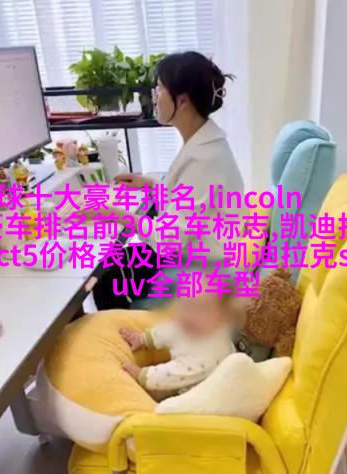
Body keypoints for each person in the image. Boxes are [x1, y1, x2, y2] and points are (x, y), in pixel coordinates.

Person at [91, 51, 245, 310]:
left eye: (160, 88)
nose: (154, 95)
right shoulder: (204, 143)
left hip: (197, 277)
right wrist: (151, 185)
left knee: (106, 277)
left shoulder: (204, 158)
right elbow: (191, 202)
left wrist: (116, 214)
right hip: (192, 258)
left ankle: (129, 330)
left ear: (182, 101)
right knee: (111, 265)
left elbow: (170, 241)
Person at [120, 290, 236, 398]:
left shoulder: (208, 353)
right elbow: (172, 331)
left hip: (203, 396)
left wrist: (142, 375)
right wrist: (143, 339)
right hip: (185, 378)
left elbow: (174, 374)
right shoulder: (192, 324)